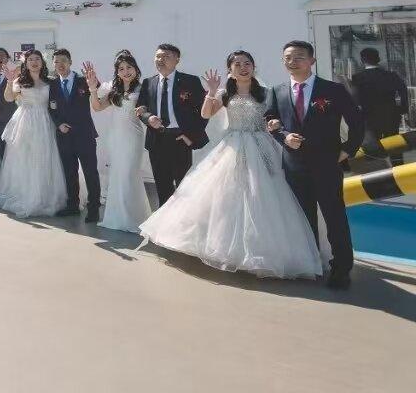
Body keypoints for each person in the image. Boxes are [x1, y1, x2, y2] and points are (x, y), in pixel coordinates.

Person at [141, 51, 323, 279]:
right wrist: (210, 92)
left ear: (253, 66)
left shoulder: (266, 92)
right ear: (230, 69)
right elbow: (205, 114)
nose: (243, 67)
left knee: (263, 195)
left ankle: (264, 251)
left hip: (262, 146)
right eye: (237, 64)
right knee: (228, 195)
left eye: (247, 63)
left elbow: (274, 118)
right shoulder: (225, 92)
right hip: (232, 146)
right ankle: (229, 250)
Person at [265, 40, 365, 289]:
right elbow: (271, 120)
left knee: (334, 217)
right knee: (303, 218)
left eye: (299, 56)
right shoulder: (277, 91)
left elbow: (357, 121)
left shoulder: (332, 89)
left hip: (327, 163)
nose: (292, 61)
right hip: (294, 165)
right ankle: (310, 263)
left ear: (312, 60)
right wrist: (283, 137)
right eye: (288, 57)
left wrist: (347, 150)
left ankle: (341, 268)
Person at [83, 53, 152, 233]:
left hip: (133, 136)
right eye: (121, 69)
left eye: (129, 67)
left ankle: (134, 218)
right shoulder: (115, 90)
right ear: (117, 72)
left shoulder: (143, 88)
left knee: (129, 174)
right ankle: (117, 217)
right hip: (116, 137)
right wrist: (92, 89)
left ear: (135, 69)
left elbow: (147, 110)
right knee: (118, 175)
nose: (126, 71)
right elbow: (97, 107)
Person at [0, 50, 68, 217]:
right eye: (30, 59)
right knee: (24, 158)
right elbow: (8, 98)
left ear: (42, 62)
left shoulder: (50, 81)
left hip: (45, 122)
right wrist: (9, 81)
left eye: (37, 59)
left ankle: (44, 196)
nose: (34, 62)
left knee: (45, 157)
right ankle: (25, 195)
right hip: (25, 122)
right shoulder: (19, 81)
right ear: (26, 63)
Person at [135, 44, 208, 205]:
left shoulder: (190, 81)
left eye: (166, 56)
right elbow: (141, 108)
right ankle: (163, 220)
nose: (160, 60)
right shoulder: (148, 82)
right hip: (157, 140)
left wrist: (190, 136)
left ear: (177, 60)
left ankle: (184, 219)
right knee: (162, 187)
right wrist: (149, 118)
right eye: (158, 56)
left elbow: (204, 112)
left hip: (180, 139)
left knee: (184, 187)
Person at [49, 49, 101, 221]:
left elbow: (97, 91)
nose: (60, 64)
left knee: (90, 172)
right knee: (69, 172)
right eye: (56, 61)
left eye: (63, 60)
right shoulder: (53, 84)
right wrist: (58, 124)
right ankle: (72, 205)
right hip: (64, 136)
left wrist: (93, 82)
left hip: (84, 135)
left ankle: (93, 209)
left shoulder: (82, 80)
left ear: (70, 62)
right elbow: (51, 108)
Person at [350, 47, 408, 166]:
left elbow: (355, 98)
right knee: (394, 144)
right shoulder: (391, 75)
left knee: (373, 147)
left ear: (362, 60)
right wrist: (403, 108)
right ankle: (398, 167)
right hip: (391, 115)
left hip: (369, 116)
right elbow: (403, 90)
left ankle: (379, 170)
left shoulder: (358, 78)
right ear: (378, 59)